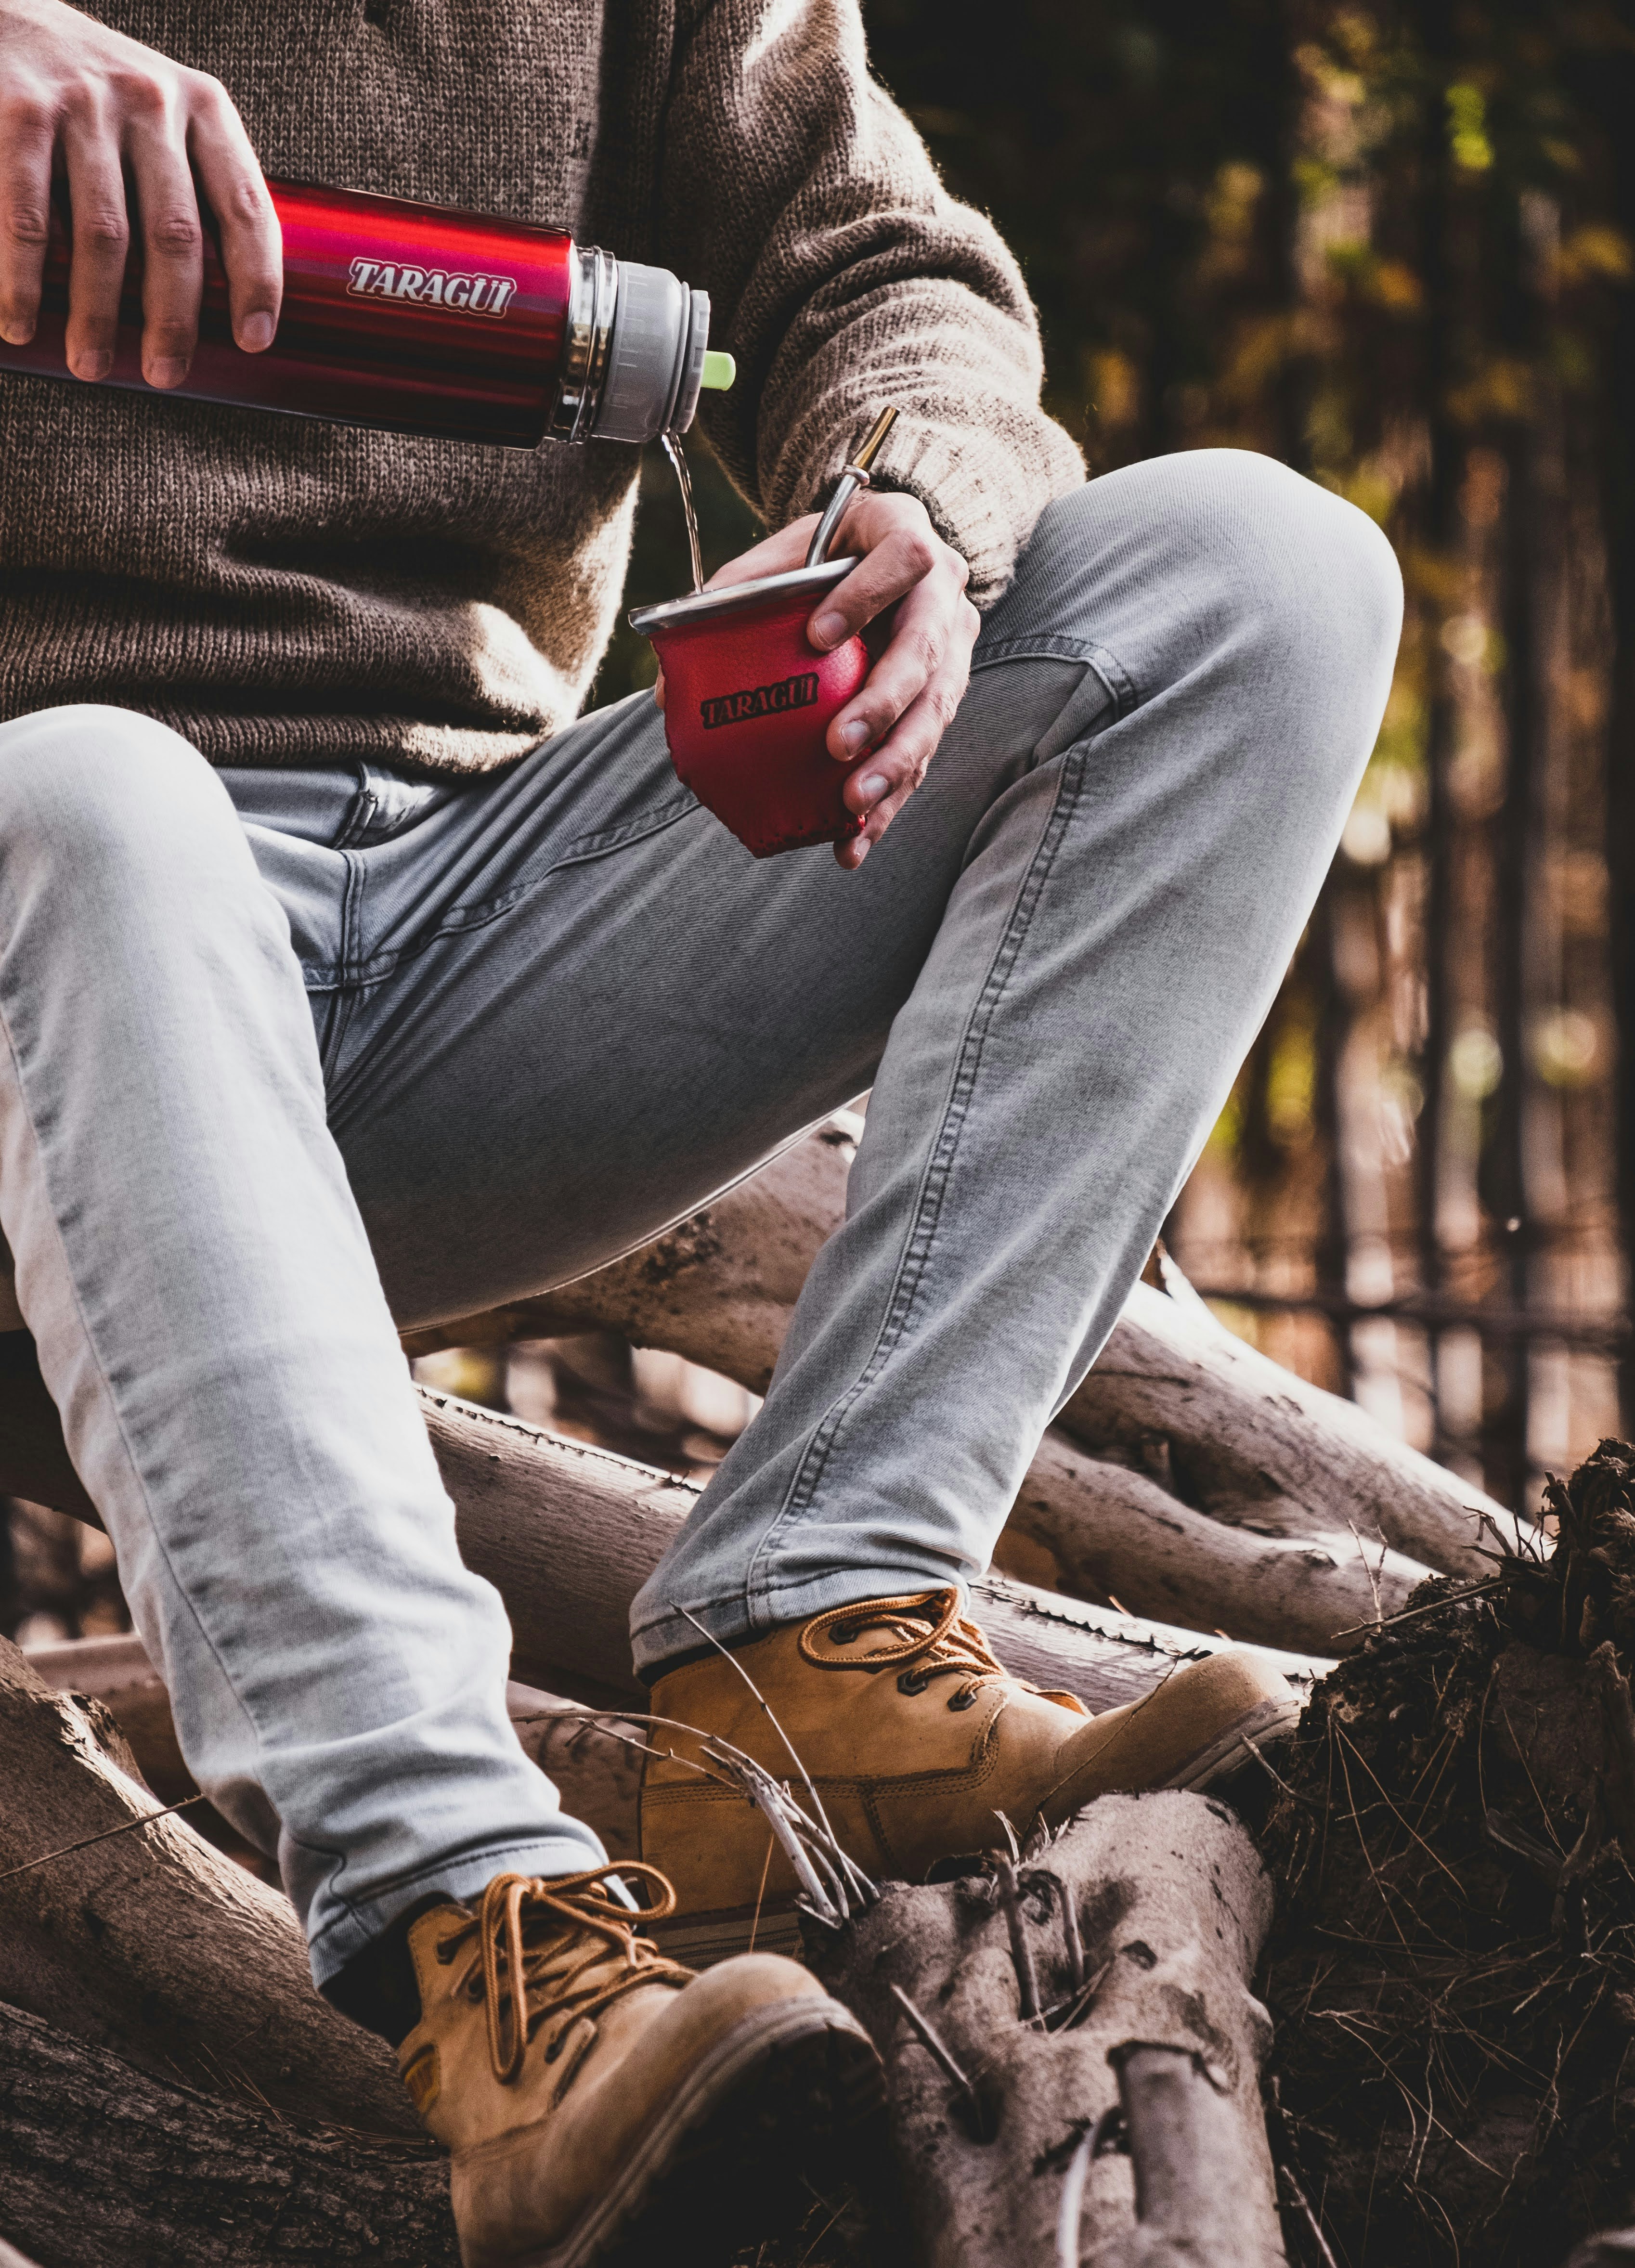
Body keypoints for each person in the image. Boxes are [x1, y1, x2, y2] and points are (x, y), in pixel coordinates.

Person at [0, 0, 1403, 2259]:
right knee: (90, 800)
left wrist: (911, 523)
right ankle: (482, 1935)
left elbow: (886, 270)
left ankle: (821, 1622)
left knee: (1259, 576)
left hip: (468, 912)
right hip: (41, 881)